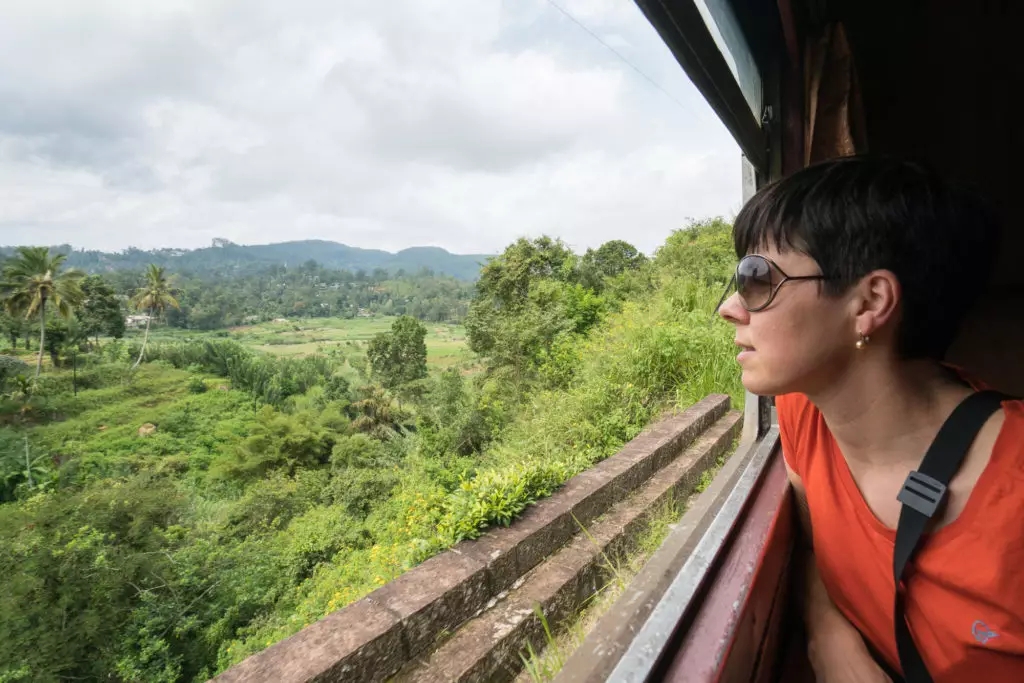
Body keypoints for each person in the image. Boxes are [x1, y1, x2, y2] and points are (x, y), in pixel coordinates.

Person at [717, 156, 1024, 682]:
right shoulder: (806, 414)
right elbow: (813, 544)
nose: (730, 307)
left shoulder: (1012, 493)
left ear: (870, 301)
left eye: (757, 278)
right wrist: (829, 639)